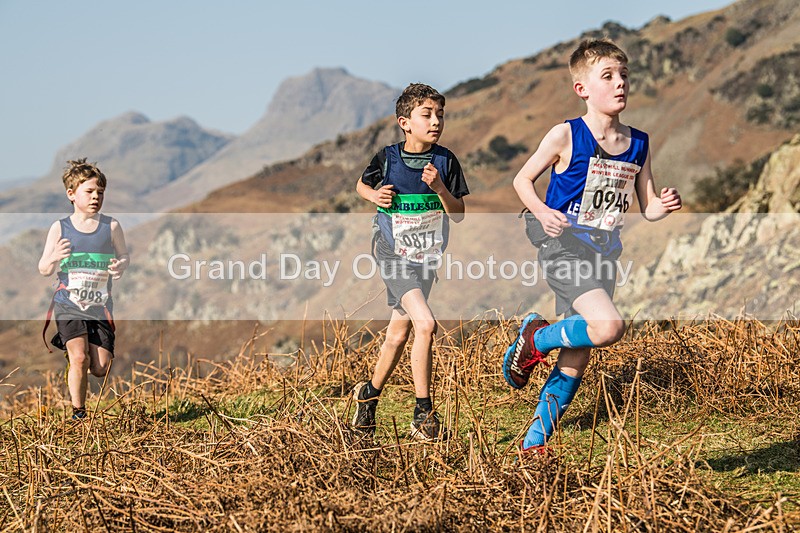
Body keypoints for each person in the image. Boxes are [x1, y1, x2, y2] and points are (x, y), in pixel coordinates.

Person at [503, 39, 682, 453]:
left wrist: (664, 205)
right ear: (582, 89)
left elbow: (648, 207)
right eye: (608, 76)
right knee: (609, 327)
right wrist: (542, 212)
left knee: (578, 353)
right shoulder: (566, 134)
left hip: (604, 254)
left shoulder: (639, 143)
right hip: (562, 248)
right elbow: (521, 180)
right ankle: (535, 338)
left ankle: (533, 448)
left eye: (624, 75)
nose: (620, 83)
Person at [353, 83, 469, 440]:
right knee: (426, 324)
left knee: (398, 333)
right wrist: (375, 196)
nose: (436, 122)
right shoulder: (388, 158)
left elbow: (458, 214)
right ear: (404, 123)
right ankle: (423, 414)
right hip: (390, 251)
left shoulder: (446, 161)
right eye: (427, 115)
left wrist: (440, 189)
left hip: (425, 257)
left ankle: (368, 396)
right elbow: (361, 185)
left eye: (440, 115)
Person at [39, 158, 129, 421]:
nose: (95, 197)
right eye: (89, 191)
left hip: (99, 306)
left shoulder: (111, 226)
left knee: (100, 367)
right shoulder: (60, 228)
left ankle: (77, 362)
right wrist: (54, 256)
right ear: (71, 194)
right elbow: (44, 268)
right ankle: (79, 414)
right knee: (80, 358)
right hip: (69, 303)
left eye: (100, 192)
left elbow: (124, 255)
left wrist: (120, 265)